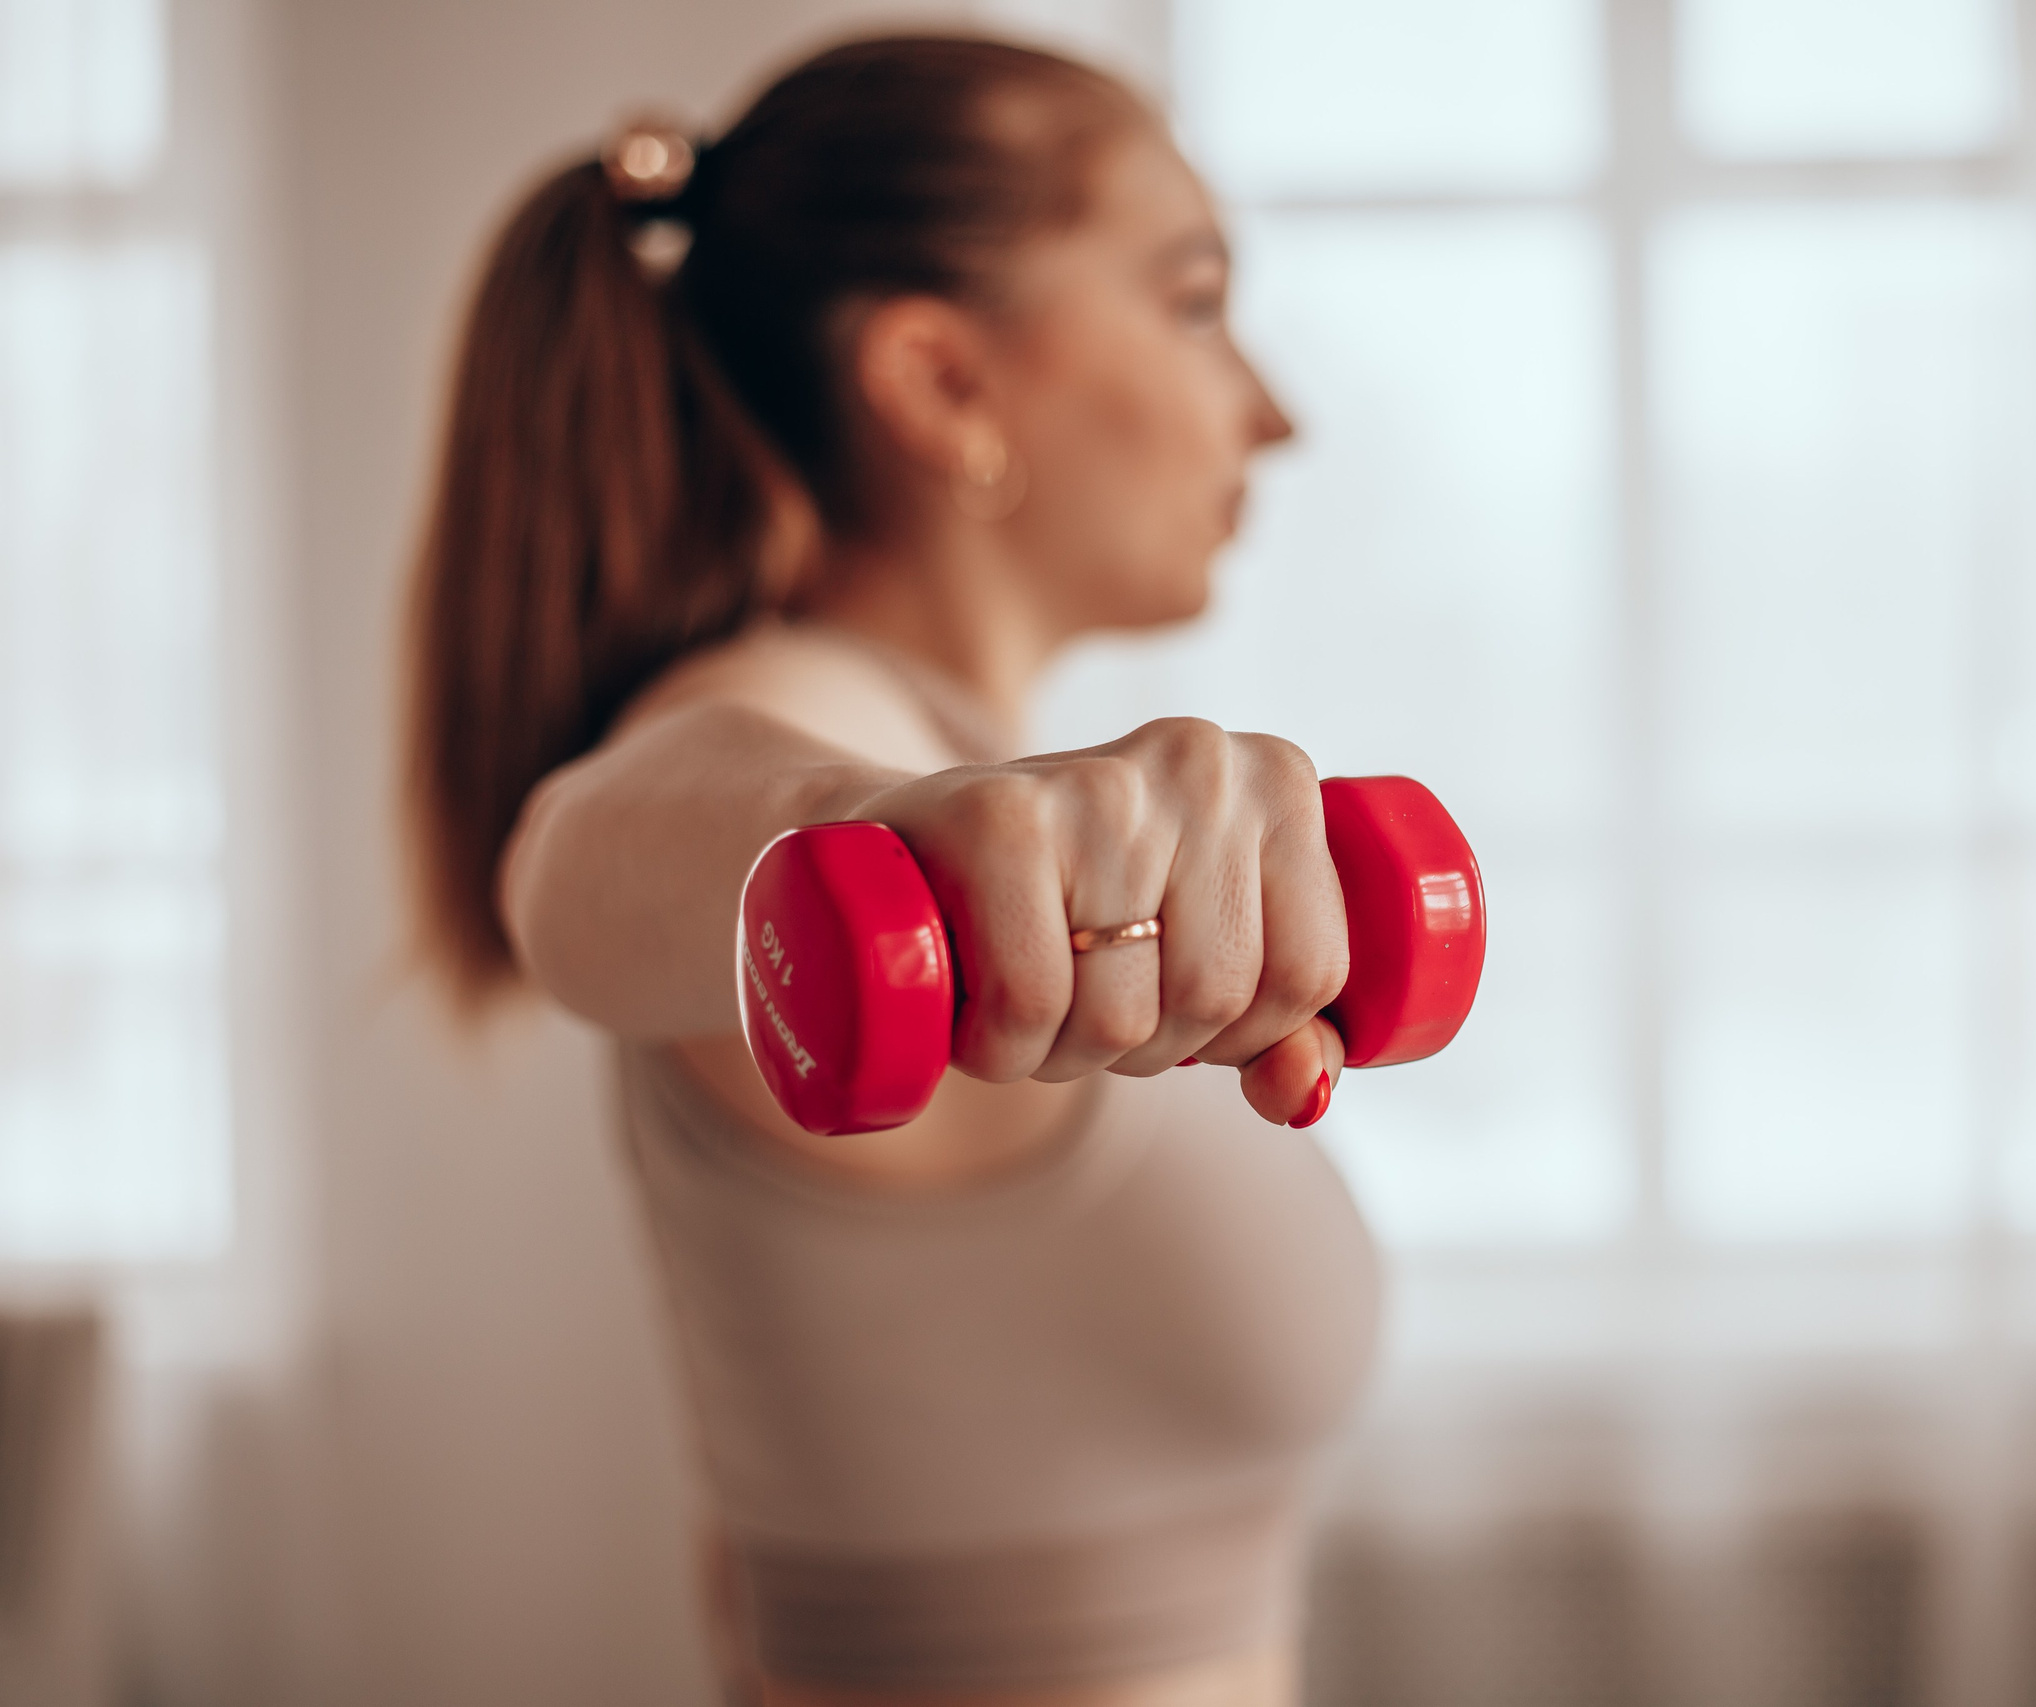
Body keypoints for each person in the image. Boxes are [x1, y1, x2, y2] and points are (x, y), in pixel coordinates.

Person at [402, 34, 1383, 1707]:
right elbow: (594, 862)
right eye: (1196, 301)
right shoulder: (794, 716)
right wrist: (880, 841)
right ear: (941, 383)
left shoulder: (919, 737)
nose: (1272, 414)